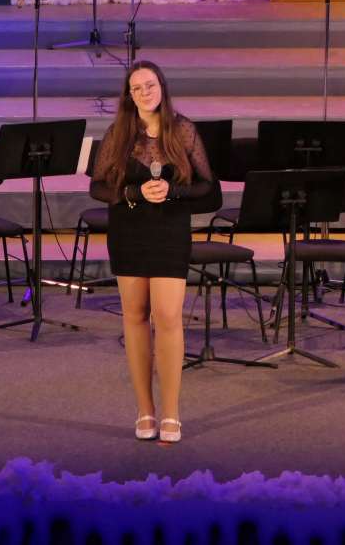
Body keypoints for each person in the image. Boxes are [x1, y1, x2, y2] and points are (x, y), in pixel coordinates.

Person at [89, 62, 213, 444]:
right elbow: (97, 187)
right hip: (129, 231)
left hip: (169, 230)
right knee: (135, 316)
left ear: (162, 86)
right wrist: (132, 192)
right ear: (129, 95)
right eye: (137, 88)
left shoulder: (183, 129)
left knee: (169, 316)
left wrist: (173, 192)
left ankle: (171, 413)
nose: (145, 92)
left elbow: (209, 188)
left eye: (151, 84)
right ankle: (145, 410)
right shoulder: (119, 133)